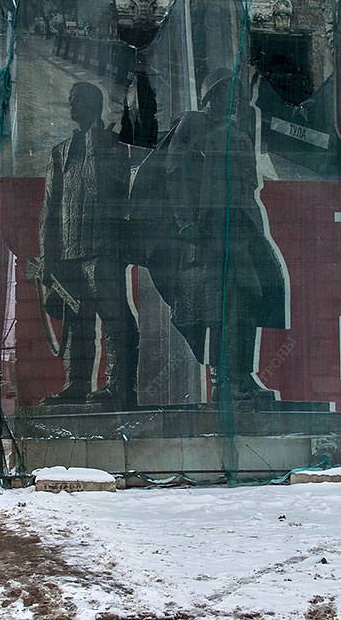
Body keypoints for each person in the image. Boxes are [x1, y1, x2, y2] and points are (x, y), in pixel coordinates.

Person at [132, 67, 287, 403]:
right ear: (211, 96)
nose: (232, 98)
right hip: (208, 229)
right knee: (218, 307)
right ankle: (224, 382)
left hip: (242, 229)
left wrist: (256, 233)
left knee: (247, 301)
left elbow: (249, 191)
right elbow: (175, 173)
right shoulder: (194, 124)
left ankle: (243, 377)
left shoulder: (241, 136)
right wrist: (186, 222)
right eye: (225, 91)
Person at [31, 80, 138, 408]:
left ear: (94, 104)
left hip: (103, 248)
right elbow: (50, 210)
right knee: (77, 325)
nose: (70, 107)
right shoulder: (60, 152)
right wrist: (49, 258)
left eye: (76, 100)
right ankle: (76, 386)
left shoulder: (112, 144)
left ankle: (119, 387)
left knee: (115, 318)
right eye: (70, 101)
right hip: (68, 251)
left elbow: (118, 192)